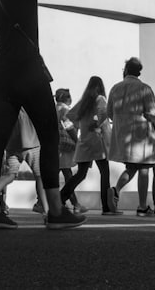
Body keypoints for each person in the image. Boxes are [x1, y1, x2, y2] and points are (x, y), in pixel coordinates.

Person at [0, 0, 85, 230]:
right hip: (30, 72)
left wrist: (1, 63)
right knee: (49, 138)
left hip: (1, 75)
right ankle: (56, 212)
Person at [107, 58, 155, 216]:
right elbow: (152, 113)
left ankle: (115, 190)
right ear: (139, 71)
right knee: (144, 169)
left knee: (131, 167)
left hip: (123, 135)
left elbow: (109, 112)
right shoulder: (144, 88)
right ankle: (142, 206)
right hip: (141, 135)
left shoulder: (115, 88)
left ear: (126, 70)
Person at [59, 76, 115, 215]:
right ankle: (106, 207)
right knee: (104, 172)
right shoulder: (100, 99)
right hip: (98, 141)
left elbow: (70, 115)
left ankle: (60, 197)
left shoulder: (84, 102)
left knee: (81, 174)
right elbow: (103, 113)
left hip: (85, 142)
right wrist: (96, 123)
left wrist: (80, 124)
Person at [55, 89, 85, 214]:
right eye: (69, 96)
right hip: (65, 147)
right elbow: (69, 126)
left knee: (59, 174)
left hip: (55, 145)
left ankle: (70, 202)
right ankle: (74, 203)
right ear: (66, 98)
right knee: (68, 175)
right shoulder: (64, 110)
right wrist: (77, 141)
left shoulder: (54, 109)